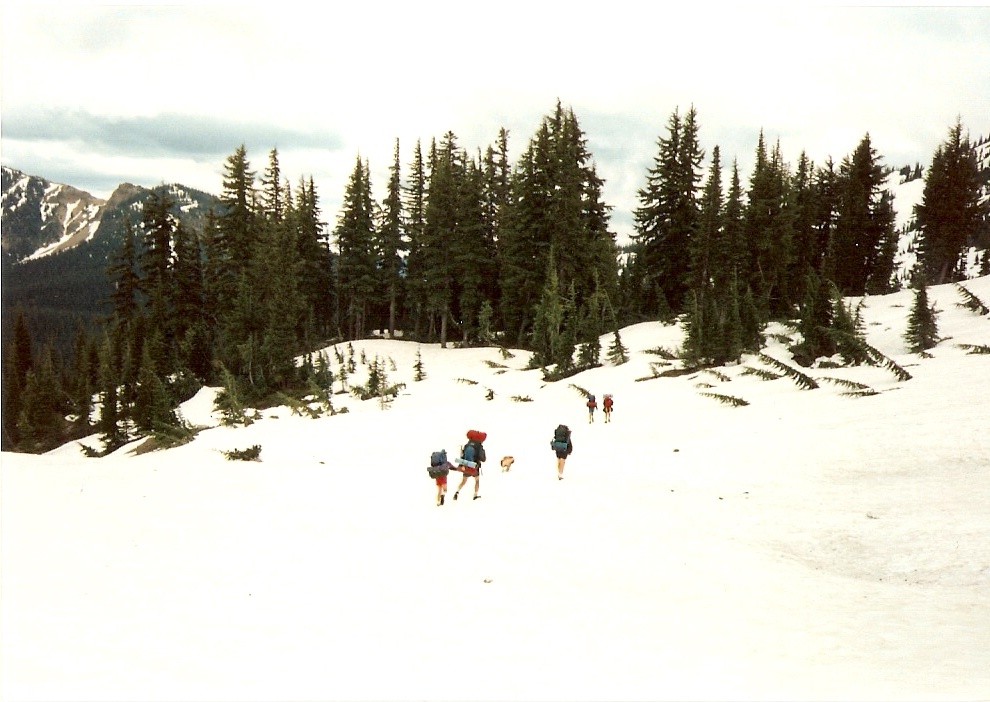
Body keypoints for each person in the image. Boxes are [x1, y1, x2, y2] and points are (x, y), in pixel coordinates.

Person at [454, 429, 487, 500]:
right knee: (477, 480)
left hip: (466, 466)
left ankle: (457, 492)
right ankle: (475, 495)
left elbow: (462, 456)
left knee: (463, 481)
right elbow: (483, 459)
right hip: (474, 467)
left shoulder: (467, 445)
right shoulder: (479, 446)